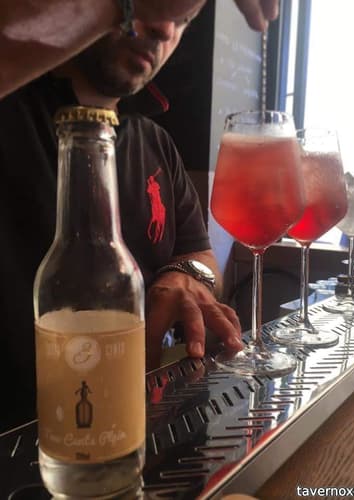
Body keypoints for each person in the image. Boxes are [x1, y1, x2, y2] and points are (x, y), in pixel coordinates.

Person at [0, 0, 280, 430]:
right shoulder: (12, 99)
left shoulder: (156, 141)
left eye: (184, 20)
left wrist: (183, 276)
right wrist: (123, 7)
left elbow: (201, 256)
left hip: (139, 416)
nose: (165, 30)